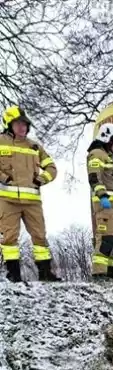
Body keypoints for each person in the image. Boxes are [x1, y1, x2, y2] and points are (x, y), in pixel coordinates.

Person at [0, 105, 60, 282]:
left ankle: (45, 272)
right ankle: (13, 274)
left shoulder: (35, 146)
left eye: (25, 124)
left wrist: (42, 179)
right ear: (9, 124)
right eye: (18, 124)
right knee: (10, 237)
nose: (22, 127)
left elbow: (52, 167)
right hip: (7, 200)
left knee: (40, 236)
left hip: (33, 202)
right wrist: (3, 178)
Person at [86, 123, 113, 280]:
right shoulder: (96, 155)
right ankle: (99, 273)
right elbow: (94, 177)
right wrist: (102, 196)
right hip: (105, 208)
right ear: (107, 139)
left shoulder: (109, 158)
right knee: (105, 240)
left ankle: (112, 272)